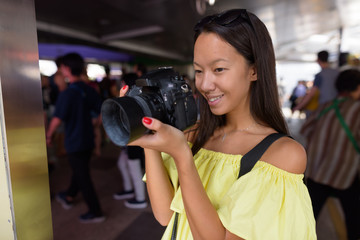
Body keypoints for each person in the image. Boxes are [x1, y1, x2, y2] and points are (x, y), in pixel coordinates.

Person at [119, 9, 316, 239]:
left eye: (219, 69)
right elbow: (165, 215)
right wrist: (148, 140)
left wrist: (183, 156)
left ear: (255, 70)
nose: (205, 84)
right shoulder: (195, 133)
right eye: (199, 71)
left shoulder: (283, 155)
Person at [300, 69, 360, 240]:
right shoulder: (357, 109)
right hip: (344, 174)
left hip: (318, 171)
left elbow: (305, 129)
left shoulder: (325, 106)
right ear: (357, 87)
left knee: (309, 216)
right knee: (353, 217)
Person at [46, 52, 105, 223]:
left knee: (83, 175)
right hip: (87, 139)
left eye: (62, 68)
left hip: (74, 141)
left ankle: (96, 212)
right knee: (80, 169)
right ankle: (69, 195)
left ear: (67, 69)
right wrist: (93, 126)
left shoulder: (68, 93)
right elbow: (101, 113)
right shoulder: (90, 89)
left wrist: (49, 135)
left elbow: (57, 119)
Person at [113, 72, 148, 209]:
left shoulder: (133, 100)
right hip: (130, 141)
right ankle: (129, 189)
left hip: (135, 140)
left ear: (125, 84)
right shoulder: (137, 97)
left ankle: (140, 198)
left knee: (135, 170)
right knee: (123, 164)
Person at [293, 50, 339, 115]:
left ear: (318, 60)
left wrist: (298, 107)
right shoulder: (337, 72)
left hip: (324, 107)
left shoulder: (320, 75)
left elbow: (311, 94)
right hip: (337, 106)